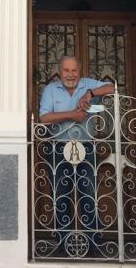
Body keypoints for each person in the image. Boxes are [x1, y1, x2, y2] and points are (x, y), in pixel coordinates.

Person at [37, 55, 115, 256]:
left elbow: (113, 89)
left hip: (86, 148)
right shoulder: (50, 89)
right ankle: (65, 245)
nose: (70, 75)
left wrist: (91, 94)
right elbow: (44, 117)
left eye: (74, 70)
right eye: (66, 70)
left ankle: (94, 245)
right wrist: (72, 114)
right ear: (59, 72)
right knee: (61, 196)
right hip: (58, 148)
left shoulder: (88, 84)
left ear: (79, 71)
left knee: (88, 195)